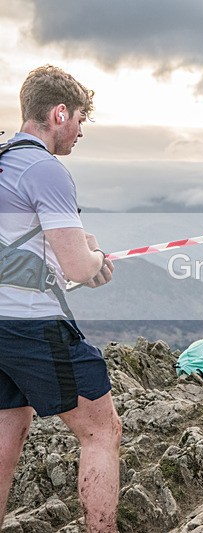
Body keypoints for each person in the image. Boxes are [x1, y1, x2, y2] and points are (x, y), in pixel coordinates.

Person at [0, 66, 121, 532]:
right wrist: (95, 262)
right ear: (59, 113)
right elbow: (77, 267)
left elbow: (26, 239)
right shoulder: (47, 169)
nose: (80, 130)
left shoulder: (5, 160)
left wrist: (73, 245)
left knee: (7, 436)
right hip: (31, 324)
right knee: (101, 431)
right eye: (80, 120)